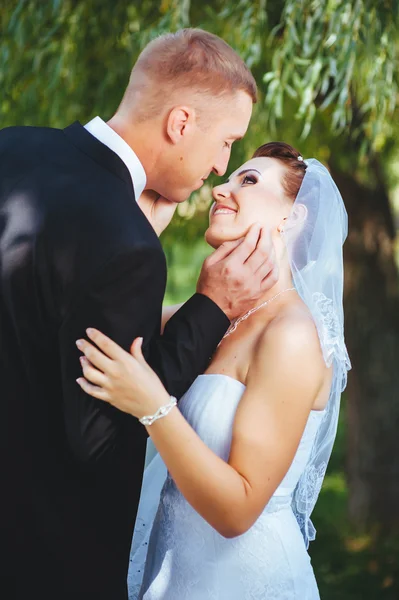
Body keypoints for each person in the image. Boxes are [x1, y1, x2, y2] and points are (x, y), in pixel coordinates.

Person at [0, 29, 280, 600]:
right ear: (180, 124)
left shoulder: (11, 145)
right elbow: (100, 436)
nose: (221, 166)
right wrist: (212, 307)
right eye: (227, 142)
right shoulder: (126, 243)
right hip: (43, 556)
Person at [76, 142, 351, 599]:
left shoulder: (292, 334)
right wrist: (137, 233)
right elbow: (97, 325)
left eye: (248, 180)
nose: (220, 188)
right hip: (173, 574)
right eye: (229, 177)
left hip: (243, 582)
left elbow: (237, 512)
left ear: (294, 216)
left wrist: (153, 406)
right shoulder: (215, 318)